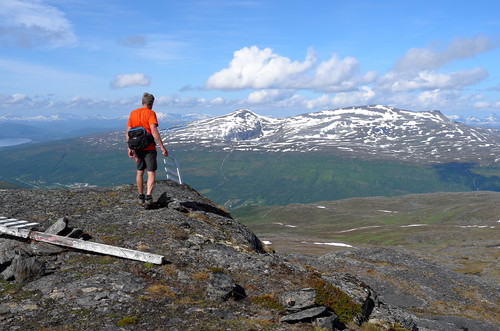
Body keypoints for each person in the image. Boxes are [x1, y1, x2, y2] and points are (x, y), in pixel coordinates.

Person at [126, 92, 168, 207]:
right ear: (152, 103)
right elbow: (153, 131)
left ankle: (140, 196)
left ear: (142, 101)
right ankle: (148, 197)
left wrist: (129, 147)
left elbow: (128, 131)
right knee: (151, 172)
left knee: (140, 171)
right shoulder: (151, 113)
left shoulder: (133, 113)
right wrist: (162, 147)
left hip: (137, 147)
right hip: (149, 148)